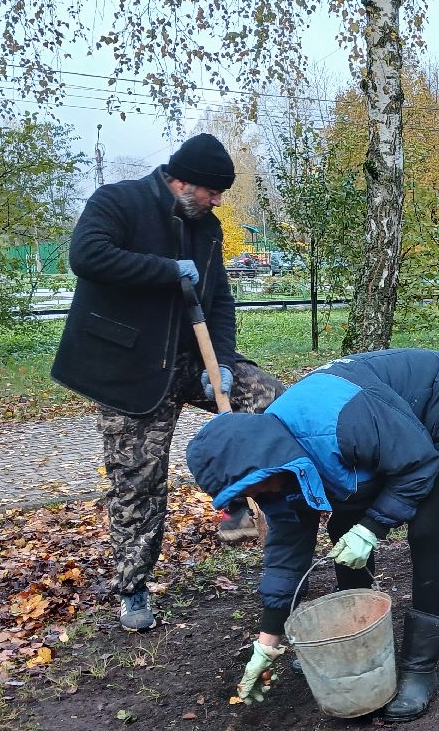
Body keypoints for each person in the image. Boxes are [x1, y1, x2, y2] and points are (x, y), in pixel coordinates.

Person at [51, 133, 283, 633]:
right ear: (183, 182)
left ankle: (241, 502)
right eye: (212, 192)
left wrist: (221, 364)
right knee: (138, 481)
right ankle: (133, 588)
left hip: (190, 360)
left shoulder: (208, 229)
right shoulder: (119, 201)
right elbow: (87, 256)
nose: (217, 201)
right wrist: (166, 270)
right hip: (130, 371)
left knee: (272, 402)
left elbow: (219, 300)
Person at [185, 348, 439, 721]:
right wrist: (267, 644)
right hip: (393, 432)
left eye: (253, 486)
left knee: (425, 531)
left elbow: (416, 465)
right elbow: (287, 555)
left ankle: (420, 668)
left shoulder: (341, 420)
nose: (256, 496)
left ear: (264, 463)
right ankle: (355, 640)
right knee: (342, 526)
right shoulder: (278, 473)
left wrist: (373, 527)